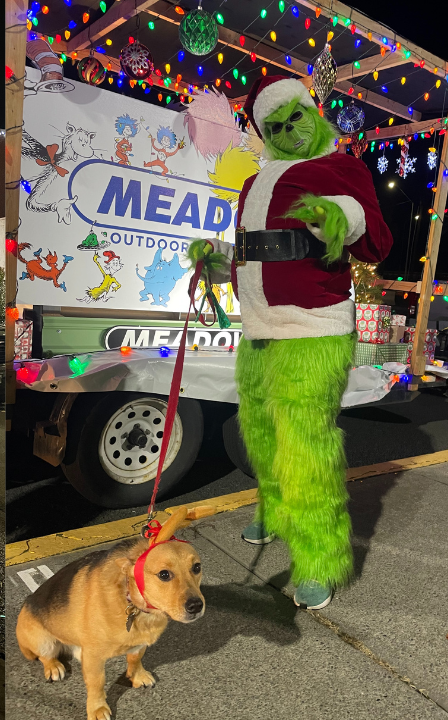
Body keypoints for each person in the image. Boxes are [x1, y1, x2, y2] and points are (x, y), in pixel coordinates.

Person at [188, 73, 392, 610]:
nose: (290, 130)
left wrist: (337, 218)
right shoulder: (255, 184)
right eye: (275, 125)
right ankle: (275, 511)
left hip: (313, 328)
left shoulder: (340, 167)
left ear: (314, 111)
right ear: (264, 132)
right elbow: (253, 255)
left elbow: (377, 240)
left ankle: (319, 557)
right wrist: (216, 262)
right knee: (259, 430)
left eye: (296, 116)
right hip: (258, 329)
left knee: (304, 445)